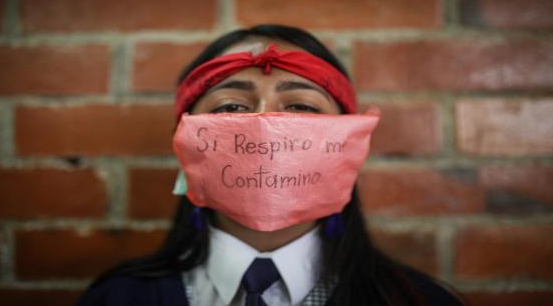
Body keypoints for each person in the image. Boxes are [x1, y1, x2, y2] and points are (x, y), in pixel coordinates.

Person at [77, 24, 463, 306]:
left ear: (347, 143)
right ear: (184, 142)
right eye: (231, 106)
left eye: (300, 105)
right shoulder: (117, 298)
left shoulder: (418, 301)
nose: (266, 125)